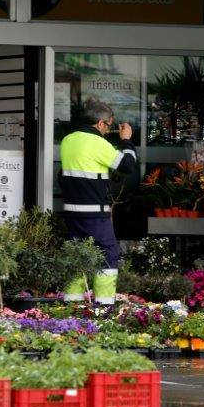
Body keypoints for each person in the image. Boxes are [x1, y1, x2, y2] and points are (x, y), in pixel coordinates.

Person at [59, 101, 136, 305]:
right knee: (107, 255)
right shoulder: (98, 144)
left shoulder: (68, 140)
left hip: (72, 214)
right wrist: (126, 140)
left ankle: (72, 304)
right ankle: (103, 306)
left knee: (77, 257)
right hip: (95, 214)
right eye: (109, 125)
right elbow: (127, 166)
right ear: (100, 123)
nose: (108, 130)